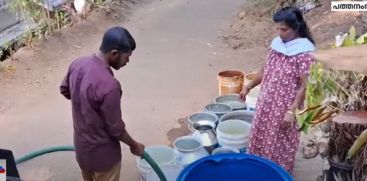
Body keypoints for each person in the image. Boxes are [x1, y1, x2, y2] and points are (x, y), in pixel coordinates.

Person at [60, 26, 145, 181]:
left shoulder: (78, 64)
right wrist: (134, 145)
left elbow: (65, 90)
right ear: (114, 53)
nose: (128, 61)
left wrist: (85, 104)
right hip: (104, 159)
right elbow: (116, 129)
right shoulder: (110, 86)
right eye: (126, 56)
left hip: (82, 152)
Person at [240, 7, 315, 173]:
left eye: (284, 29)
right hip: (266, 103)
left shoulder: (305, 52)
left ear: (296, 28)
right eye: (278, 29)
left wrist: (291, 111)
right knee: (260, 137)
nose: (280, 33)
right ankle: (259, 170)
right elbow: (265, 69)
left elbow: (304, 86)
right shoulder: (277, 44)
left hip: (284, 108)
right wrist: (249, 86)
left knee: (280, 143)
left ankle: (278, 174)